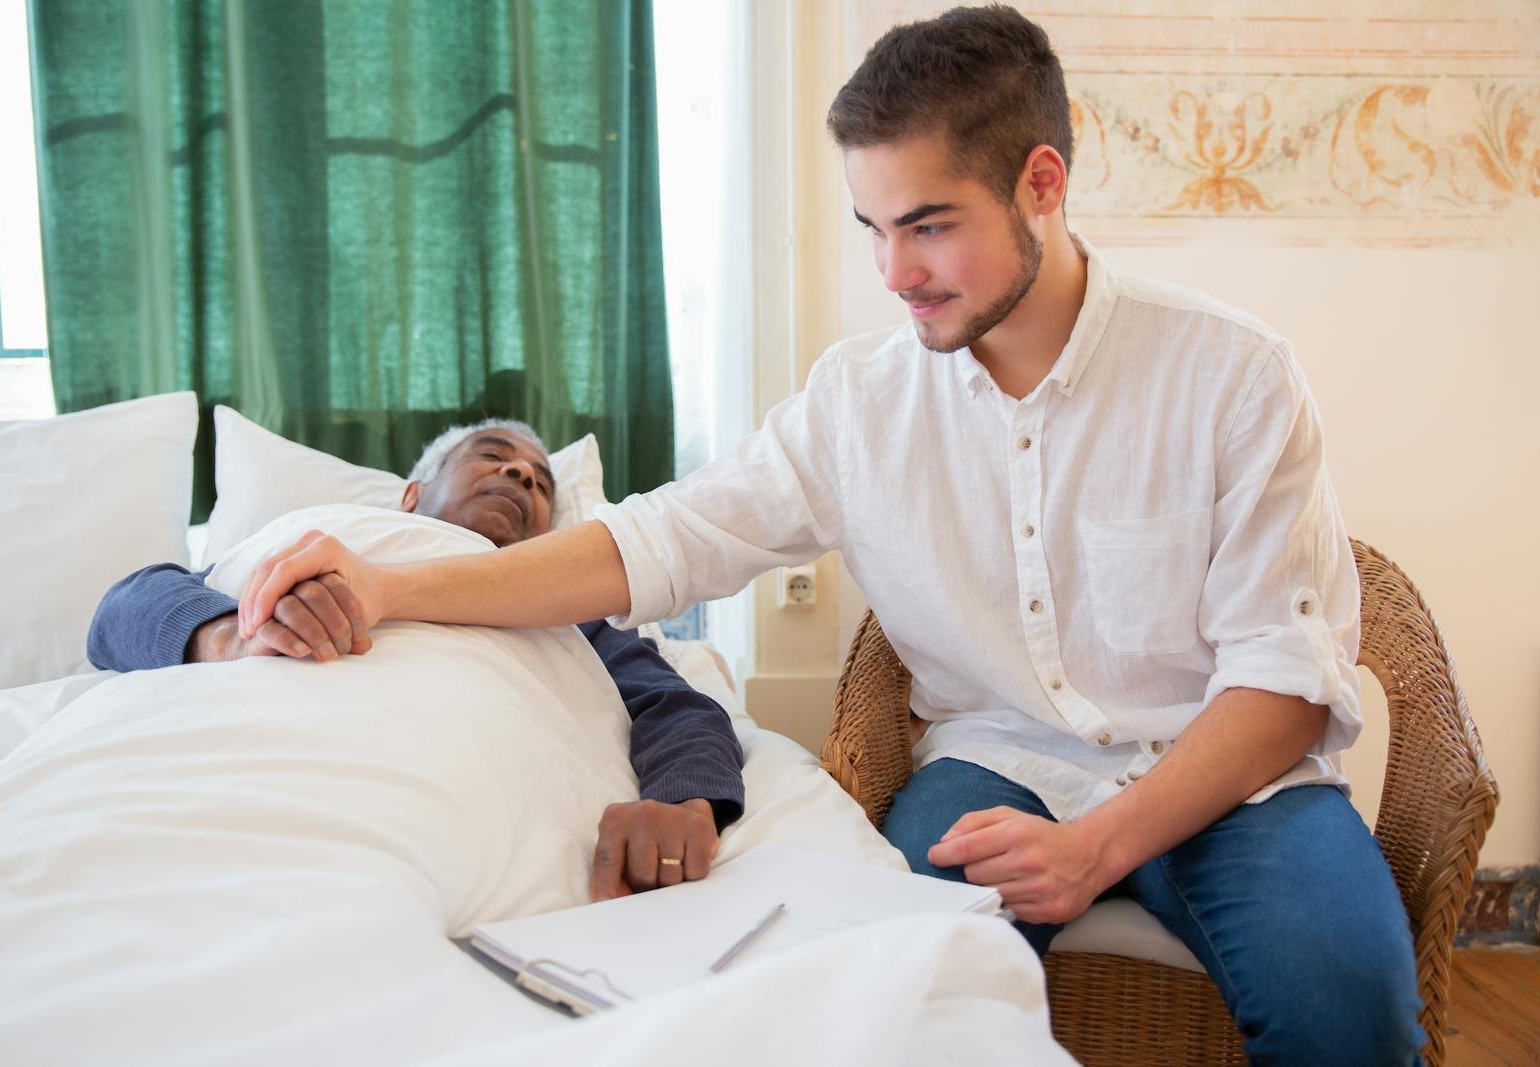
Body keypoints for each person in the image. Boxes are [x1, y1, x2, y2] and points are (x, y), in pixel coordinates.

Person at [232, 7, 1422, 1061]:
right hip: (993, 766)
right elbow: (659, 541)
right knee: (873, 1008)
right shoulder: (859, 402)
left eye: (928, 225)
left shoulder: (1233, 374)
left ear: (1043, 183)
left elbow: (1282, 684)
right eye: (869, 227)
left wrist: (1101, 843)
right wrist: (394, 585)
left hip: (1234, 780)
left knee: (1352, 1010)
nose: (893, 272)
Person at [86, 418, 745, 904]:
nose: (520, 476)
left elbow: (676, 705)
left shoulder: (573, 611)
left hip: (444, 802)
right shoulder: (321, 537)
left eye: (541, 482)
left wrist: (684, 802)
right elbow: (122, 609)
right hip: (241, 760)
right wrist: (233, 633)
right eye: (494, 457)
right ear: (410, 495)